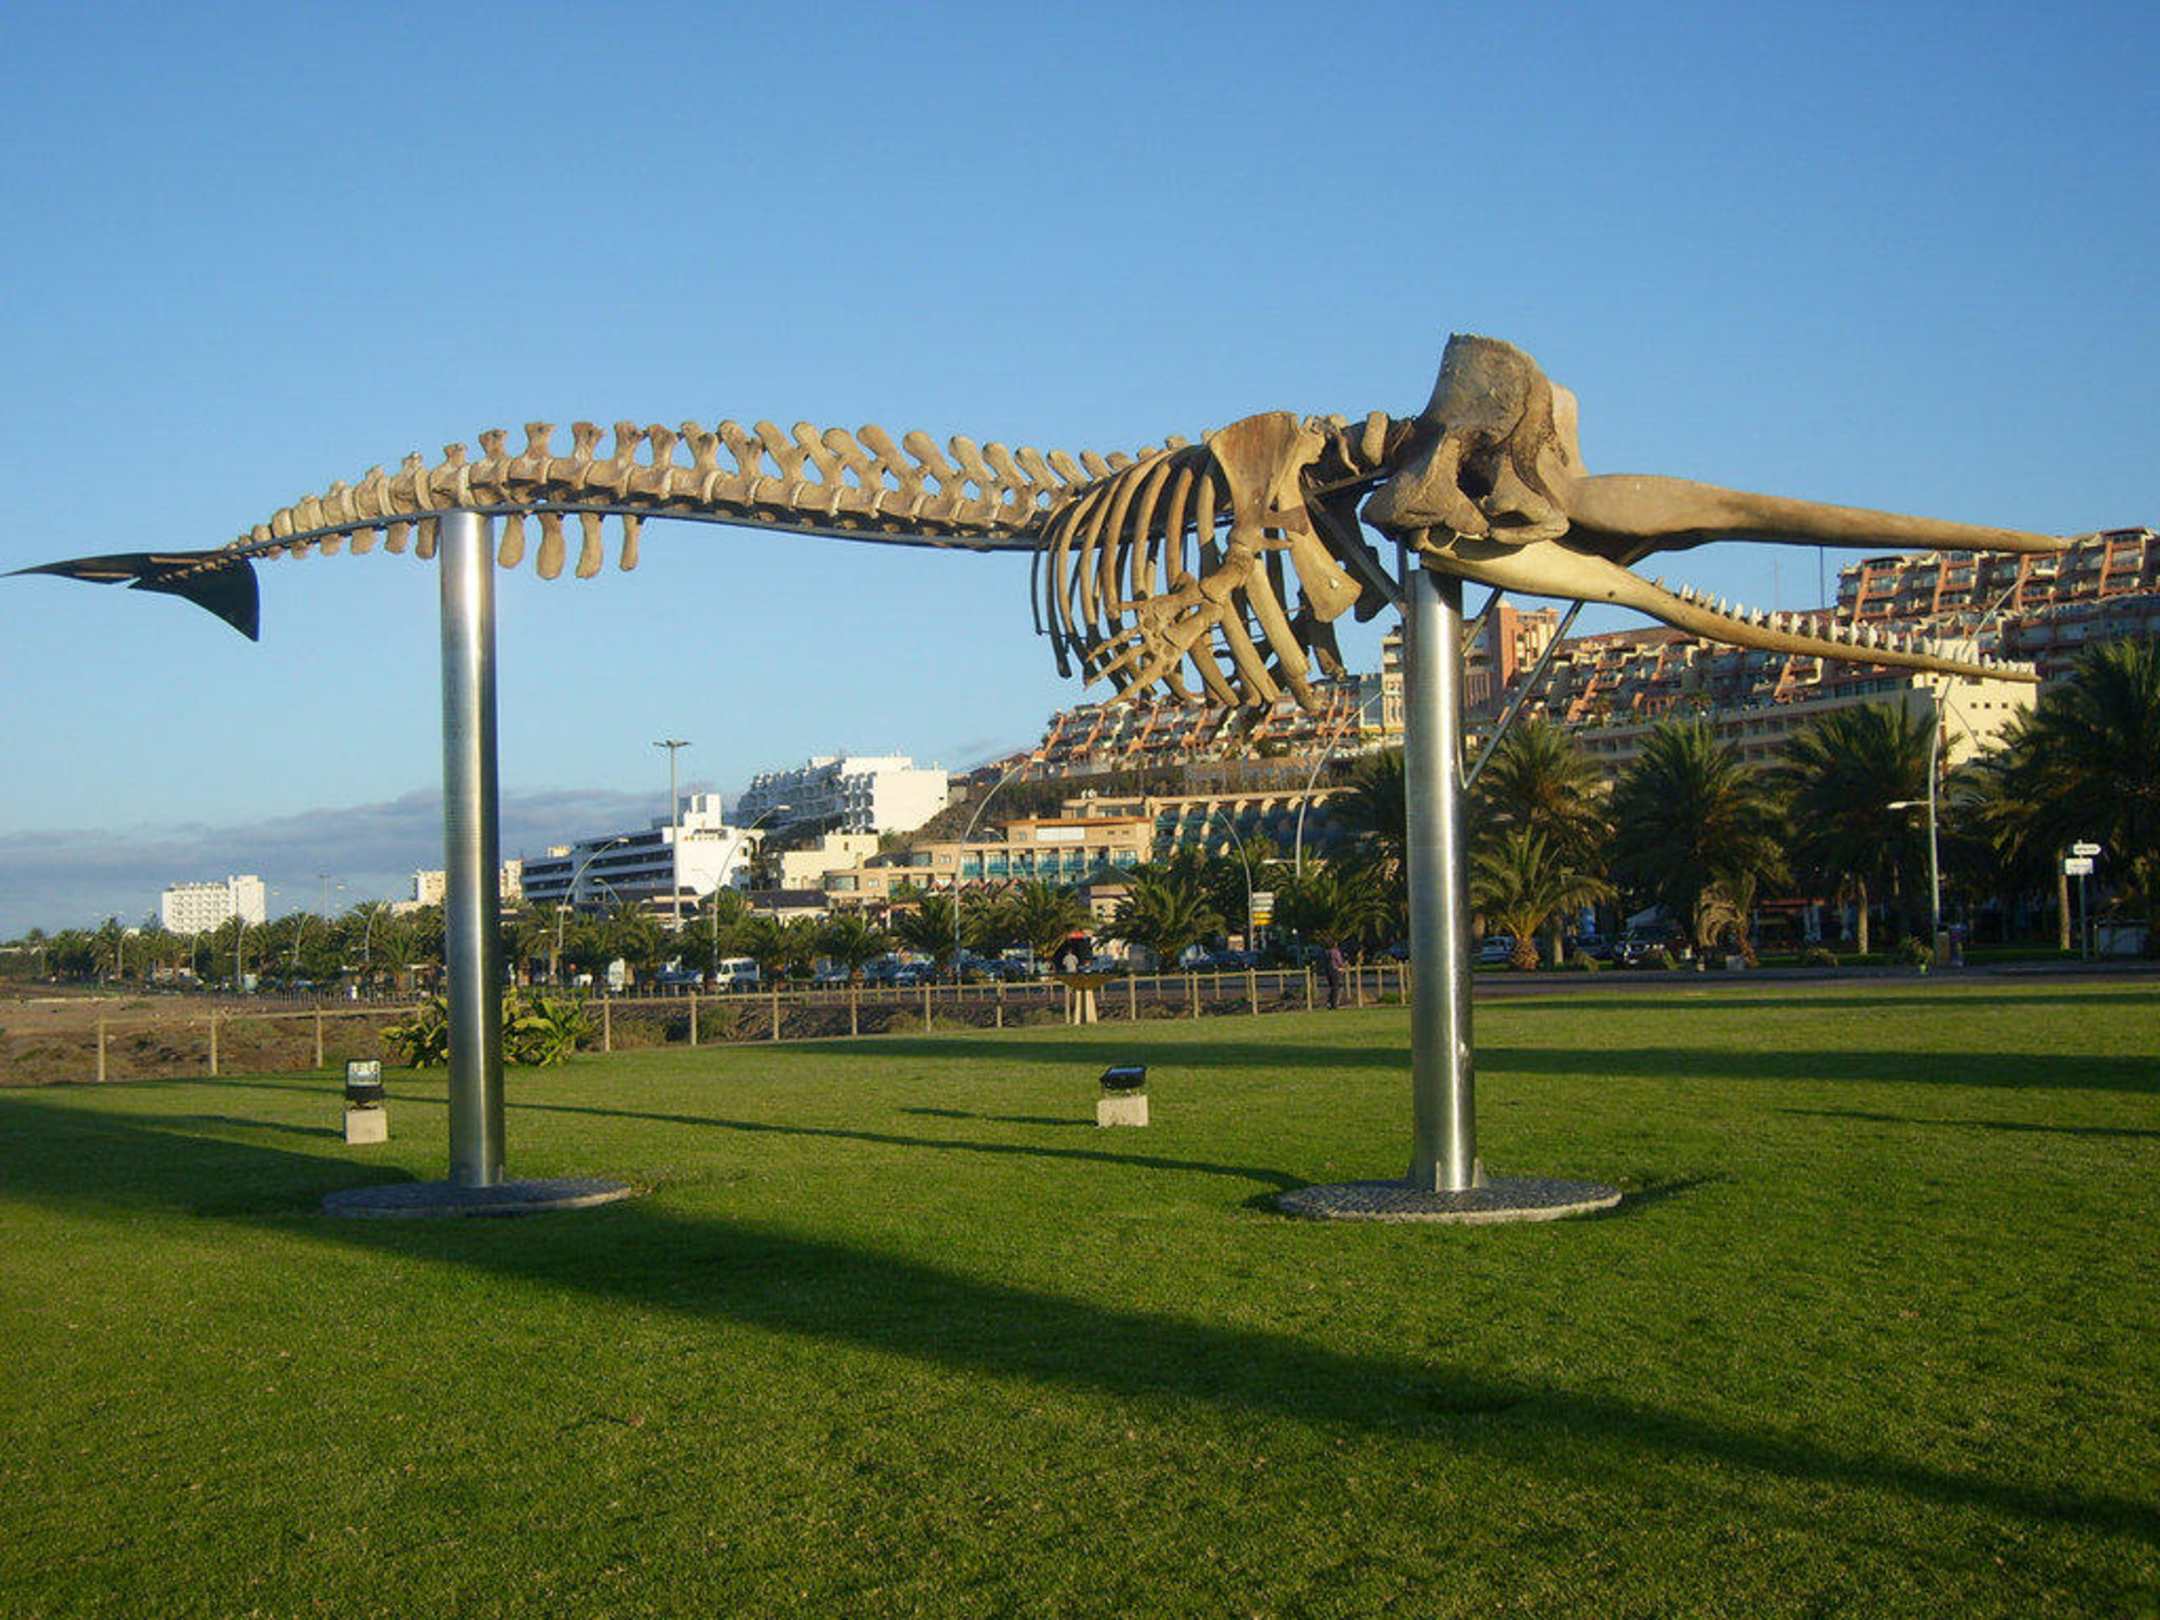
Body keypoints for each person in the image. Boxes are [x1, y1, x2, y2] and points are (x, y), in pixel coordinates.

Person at [1323, 942, 1346, 1009]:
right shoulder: (1336, 952)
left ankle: (1329, 1002)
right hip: (1335, 970)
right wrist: (1343, 965)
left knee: (1332, 987)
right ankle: (1334, 1003)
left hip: (1328, 971)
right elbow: (1339, 961)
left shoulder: (1326, 952)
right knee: (1336, 987)